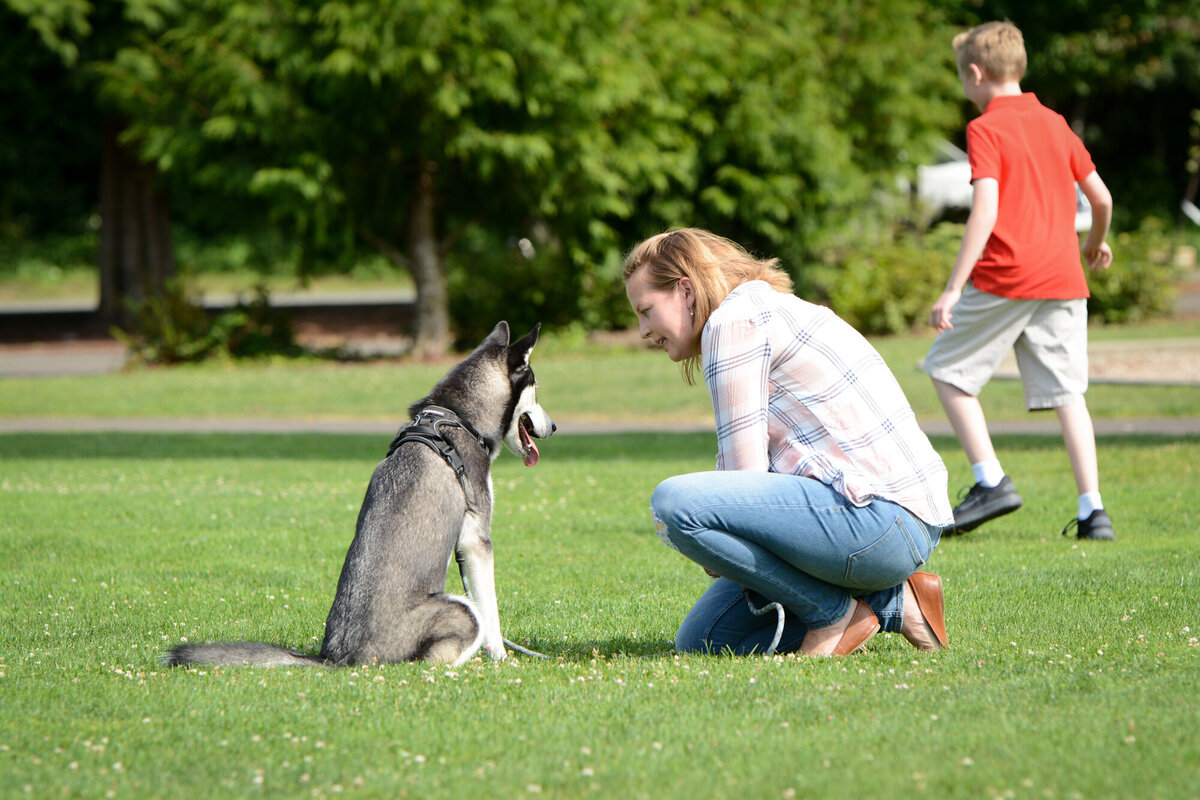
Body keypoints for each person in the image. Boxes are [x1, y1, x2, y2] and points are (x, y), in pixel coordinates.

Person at [624, 228, 954, 656]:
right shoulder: (761, 308)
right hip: (895, 522)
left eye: (647, 310)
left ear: (686, 290)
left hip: (880, 519)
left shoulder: (733, 321)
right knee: (705, 641)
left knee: (674, 503)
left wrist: (708, 537)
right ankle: (895, 603)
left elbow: (743, 481)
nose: (642, 329)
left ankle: (832, 613)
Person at [924, 21, 1116, 541]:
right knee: (1068, 393)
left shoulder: (986, 127)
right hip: (1063, 278)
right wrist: (1096, 241)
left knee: (946, 369)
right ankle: (1093, 512)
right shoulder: (1054, 122)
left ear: (975, 73)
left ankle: (990, 481)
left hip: (1007, 274)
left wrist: (952, 288)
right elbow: (1101, 198)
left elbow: (985, 209)